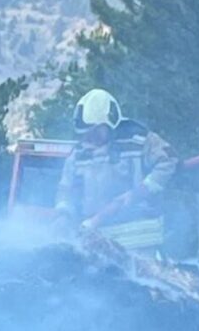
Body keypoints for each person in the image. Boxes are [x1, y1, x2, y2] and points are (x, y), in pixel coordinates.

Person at [55, 89, 178, 249]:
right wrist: (64, 215)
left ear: (108, 123)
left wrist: (141, 190)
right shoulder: (79, 154)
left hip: (139, 235)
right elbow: (65, 190)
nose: (89, 138)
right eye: (85, 134)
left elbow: (169, 160)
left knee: (136, 274)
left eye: (94, 132)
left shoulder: (139, 140)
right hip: (95, 238)